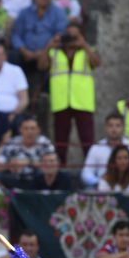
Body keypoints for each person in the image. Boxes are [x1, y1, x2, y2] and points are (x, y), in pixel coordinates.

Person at [44, 25, 99, 163]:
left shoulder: (86, 51)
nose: (71, 39)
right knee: (60, 141)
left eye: (75, 36)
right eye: (69, 35)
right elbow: (41, 65)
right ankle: (60, 169)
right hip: (61, 101)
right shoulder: (55, 52)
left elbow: (97, 63)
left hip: (83, 102)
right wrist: (49, 46)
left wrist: (84, 45)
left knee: (87, 140)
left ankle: (90, 169)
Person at [80, 111, 129, 188]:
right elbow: (86, 173)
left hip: (128, 188)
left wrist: (125, 184)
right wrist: (99, 183)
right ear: (105, 128)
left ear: (123, 127)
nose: (114, 129)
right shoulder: (96, 148)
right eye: (110, 125)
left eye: (118, 125)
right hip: (101, 189)